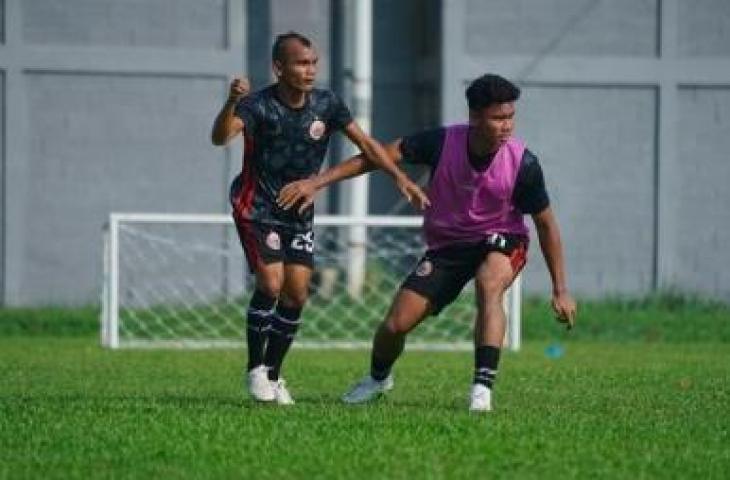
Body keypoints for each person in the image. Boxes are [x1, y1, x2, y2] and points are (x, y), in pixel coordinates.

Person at [277, 73, 577, 412]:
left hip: (502, 238)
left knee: (489, 284)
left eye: (510, 117)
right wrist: (317, 182)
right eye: (498, 118)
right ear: (475, 117)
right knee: (395, 326)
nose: (507, 125)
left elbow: (546, 225)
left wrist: (560, 288)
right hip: (448, 246)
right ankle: (378, 379)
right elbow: (378, 156)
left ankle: (482, 388)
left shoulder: (524, 164)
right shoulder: (441, 142)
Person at [211, 31, 428, 405]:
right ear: (279, 68)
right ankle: (255, 370)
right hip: (256, 206)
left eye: (313, 63)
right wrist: (231, 102)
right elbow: (220, 137)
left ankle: (275, 376)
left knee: (296, 294)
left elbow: (367, 144)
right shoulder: (257, 105)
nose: (310, 70)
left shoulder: (327, 104)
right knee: (271, 282)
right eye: (301, 63)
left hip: (298, 213)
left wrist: (399, 177)